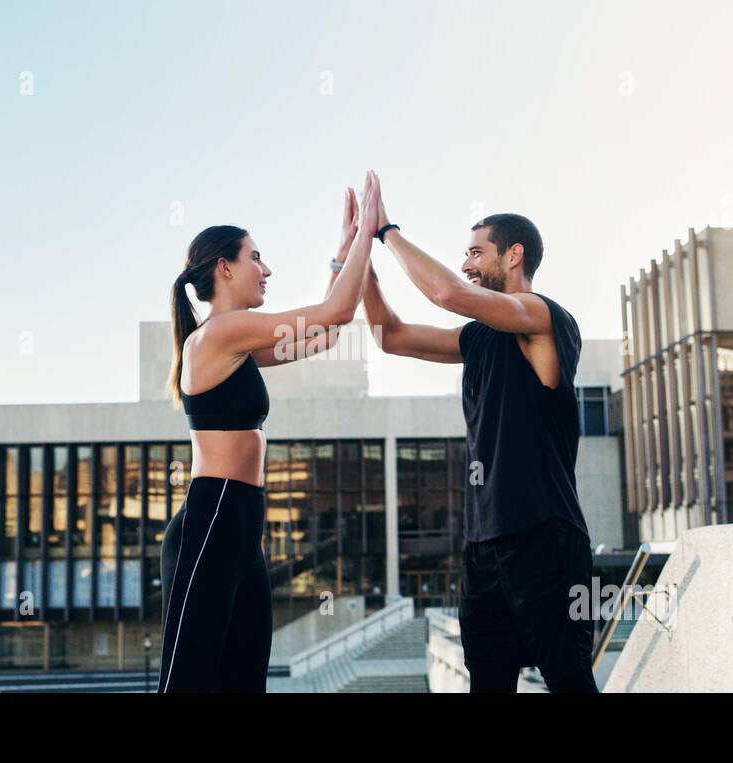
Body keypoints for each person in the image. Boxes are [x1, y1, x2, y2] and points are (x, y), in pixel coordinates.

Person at [361, 176, 599, 693]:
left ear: (513, 256)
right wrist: (357, 258)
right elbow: (389, 336)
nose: (466, 263)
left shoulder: (542, 316)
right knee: (487, 684)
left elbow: (448, 293)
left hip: (545, 534)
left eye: (475, 252)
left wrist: (387, 231)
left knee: (568, 679)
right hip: (483, 543)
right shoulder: (477, 337)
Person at [158, 172, 381, 692]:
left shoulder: (238, 344)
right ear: (224, 267)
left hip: (240, 523)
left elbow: (325, 334)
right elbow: (338, 311)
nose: (266, 269)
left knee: (244, 679)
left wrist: (343, 255)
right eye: (256, 257)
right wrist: (369, 231)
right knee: (188, 681)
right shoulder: (222, 332)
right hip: (212, 517)